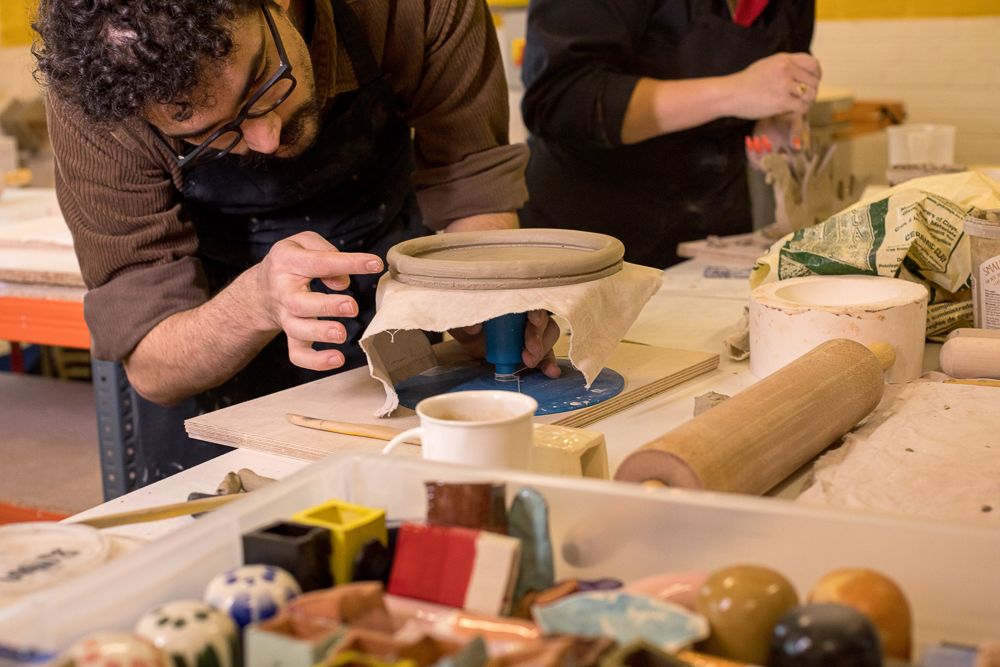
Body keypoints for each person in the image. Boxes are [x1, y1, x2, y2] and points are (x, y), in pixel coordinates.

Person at [33, 0, 559, 479]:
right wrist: (255, 304)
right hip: (213, 336)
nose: (266, 138)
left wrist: (476, 298)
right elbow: (152, 362)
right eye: (210, 134)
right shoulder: (103, 96)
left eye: (262, 81)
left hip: (385, 277)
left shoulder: (409, 7)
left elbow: (471, 185)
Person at [518, 0, 821, 268]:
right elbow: (561, 100)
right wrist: (732, 93)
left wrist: (774, 118)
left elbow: (779, 79)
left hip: (711, 236)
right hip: (589, 236)